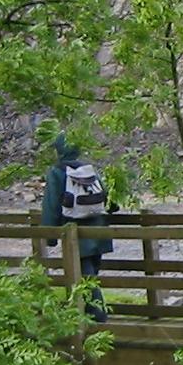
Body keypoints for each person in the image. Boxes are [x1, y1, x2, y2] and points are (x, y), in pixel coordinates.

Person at [42, 133, 112, 322]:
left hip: (78, 235)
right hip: (99, 229)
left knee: (84, 277)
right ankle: (91, 314)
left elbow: (51, 205)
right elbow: (106, 194)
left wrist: (49, 236)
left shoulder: (57, 172)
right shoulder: (87, 168)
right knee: (90, 275)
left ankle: (97, 318)